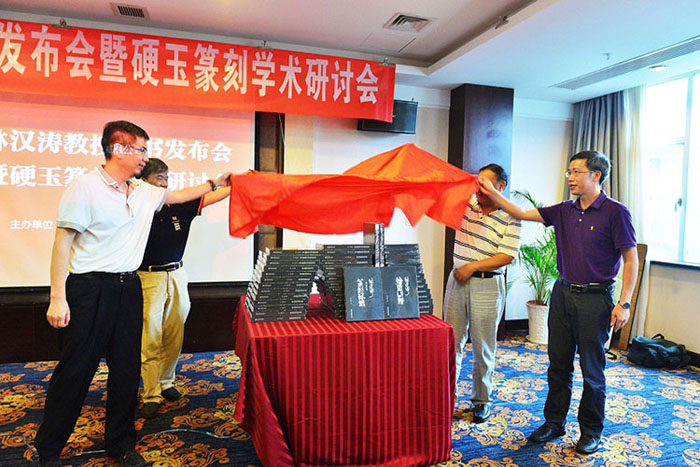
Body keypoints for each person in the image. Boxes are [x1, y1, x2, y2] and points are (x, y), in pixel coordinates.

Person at [34, 121, 231, 467]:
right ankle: (49, 450)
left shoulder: (143, 191)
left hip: (129, 288)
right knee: (76, 370)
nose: (144, 156)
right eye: (140, 149)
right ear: (118, 148)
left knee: (126, 370)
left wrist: (217, 182)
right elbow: (62, 243)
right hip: (89, 289)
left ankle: (120, 444)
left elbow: (181, 196)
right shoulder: (84, 187)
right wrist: (57, 297)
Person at [478, 150, 638, 454]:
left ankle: (591, 431)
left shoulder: (616, 212)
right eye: (569, 172)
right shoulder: (565, 210)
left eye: (577, 172)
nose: (570, 178)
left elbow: (631, 259)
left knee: (592, 371)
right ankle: (554, 422)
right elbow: (521, 213)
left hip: (596, 298)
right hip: (562, 295)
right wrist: (491, 192)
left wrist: (625, 303)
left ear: (596, 175)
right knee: (558, 365)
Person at [137, 158, 231, 419]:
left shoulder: (180, 204)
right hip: (148, 278)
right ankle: (151, 393)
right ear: (143, 182)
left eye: (167, 178)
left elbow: (214, 197)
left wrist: (238, 184)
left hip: (177, 275)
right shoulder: (136, 207)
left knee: (174, 333)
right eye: (159, 178)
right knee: (150, 337)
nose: (164, 183)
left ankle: (166, 382)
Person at [444, 163, 521, 423]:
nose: (480, 190)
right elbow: (445, 190)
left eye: (486, 185)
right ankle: (447, 398)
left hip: (488, 285)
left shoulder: (512, 215)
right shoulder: (467, 203)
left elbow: (507, 255)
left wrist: (472, 267)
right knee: (451, 344)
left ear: (501, 186)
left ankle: (481, 401)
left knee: (483, 347)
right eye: (478, 183)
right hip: (457, 281)